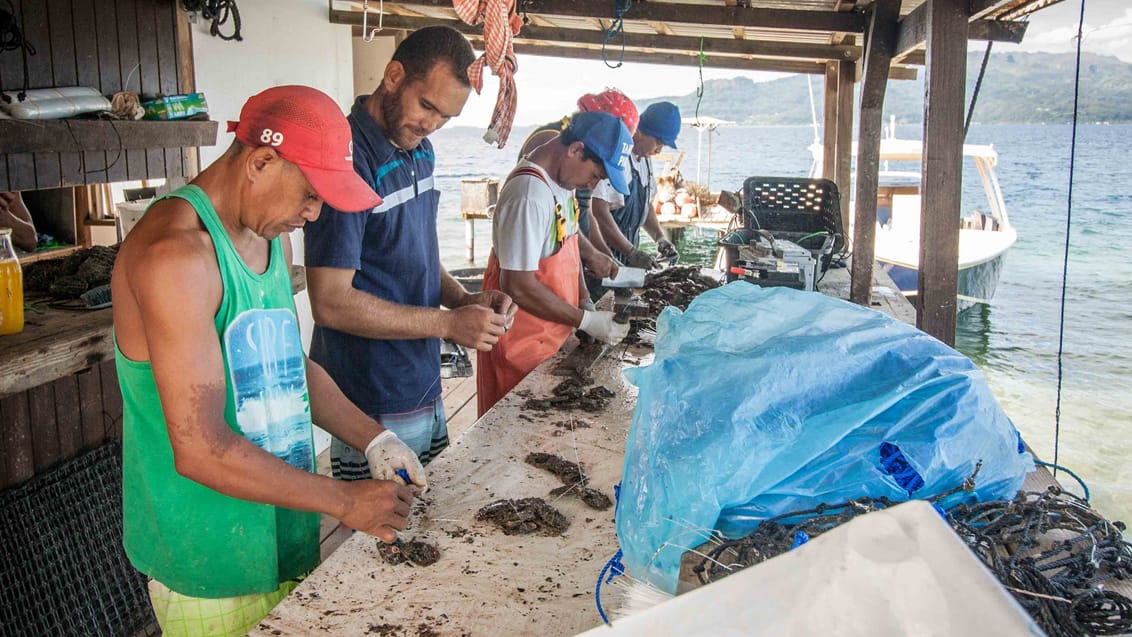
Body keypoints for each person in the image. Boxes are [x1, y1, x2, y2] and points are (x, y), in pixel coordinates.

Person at [111, 85, 424, 637]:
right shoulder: (176, 257)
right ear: (260, 161)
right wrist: (343, 499)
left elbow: (289, 366)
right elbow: (201, 449)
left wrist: (377, 440)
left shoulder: (267, 238)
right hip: (210, 556)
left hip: (284, 530)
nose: (314, 212)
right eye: (309, 194)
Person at [304, 26, 514, 482]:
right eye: (427, 106)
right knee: (381, 536)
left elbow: (414, 251)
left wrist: (463, 300)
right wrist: (447, 324)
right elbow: (329, 301)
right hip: (368, 394)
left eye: (445, 118)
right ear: (394, 75)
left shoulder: (421, 152)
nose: (431, 125)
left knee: (429, 515)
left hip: (419, 379)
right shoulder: (349, 161)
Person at [476, 111, 634, 415]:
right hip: (518, 343)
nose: (592, 185)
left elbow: (570, 244)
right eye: (596, 175)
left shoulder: (563, 184)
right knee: (513, 436)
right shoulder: (528, 195)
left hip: (553, 335)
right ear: (576, 149)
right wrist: (586, 321)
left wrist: (585, 300)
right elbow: (517, 286)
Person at [517, 89, 640, 282]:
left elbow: (577, 215)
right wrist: (583, 314)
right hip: (538, 278)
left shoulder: (572, 171)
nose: (593, 184)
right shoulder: (551, 153)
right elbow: (519, 281)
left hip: (565, 269)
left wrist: (599, 255)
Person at [591, 101, 682, 271]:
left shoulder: (645, 160)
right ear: (639, 132)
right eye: (658, 143)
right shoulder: (617, 156)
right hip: (601, 257)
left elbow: (645, 205)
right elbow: (597, 211)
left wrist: (660, 237)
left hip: (626, 257)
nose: (659, 151)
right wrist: (631, 252)